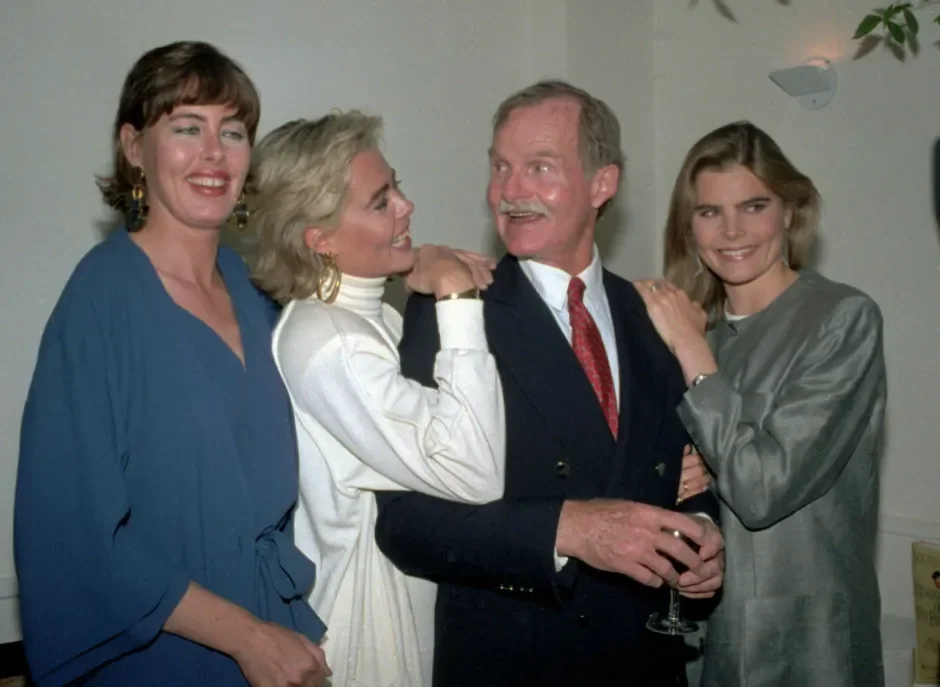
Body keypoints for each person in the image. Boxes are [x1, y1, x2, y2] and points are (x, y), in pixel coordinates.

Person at [373, 80, 724, 686]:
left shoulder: (652, 314)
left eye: (540, 167)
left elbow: (685, 476)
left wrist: (706, 541)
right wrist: (568, 529)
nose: (510, 192)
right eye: (501, 168)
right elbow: (405, 524)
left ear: (602, 184)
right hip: (516, 662)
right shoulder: (454, 310)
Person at [14, 41, 329, 686]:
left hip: (278, 634)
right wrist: (245, 637)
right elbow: (76, 538)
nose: (214, 153)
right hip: (164, 653)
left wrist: (430, 267)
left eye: (232, 131)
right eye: (187, 127)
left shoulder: (253, 287)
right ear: (134, 147)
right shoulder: (101, 302)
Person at [248, 112, 506, 687]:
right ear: (321, 240)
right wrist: (455, 295)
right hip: (367, 630)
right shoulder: (330, 343)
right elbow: (475, 470)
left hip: (404, 600)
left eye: (397, 186)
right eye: (380, 200)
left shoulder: (367, 320)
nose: (406, 206)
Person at [636, 121, 886, 686]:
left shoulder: (841, 319)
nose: (731, 231)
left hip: (807, 649)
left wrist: (694, 351)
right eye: (709, 212)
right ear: (689, 227)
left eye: (753, 206)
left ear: (790, 213)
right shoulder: (707, 338)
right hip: (706, 641)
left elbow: (762, 488)